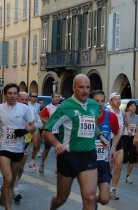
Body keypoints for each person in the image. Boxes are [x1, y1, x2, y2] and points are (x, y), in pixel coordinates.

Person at [42, 74, 108, 210]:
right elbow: (46, 131)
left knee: (90, 199)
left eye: (88, 87)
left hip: (88, 155)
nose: (85, 91)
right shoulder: (65, 107)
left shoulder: (94, 105)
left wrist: (100, 136)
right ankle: (52, 207)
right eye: (81, 87)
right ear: (73, 88)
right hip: (68, 156)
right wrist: (56, 144)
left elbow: (92, 124)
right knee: (61, 199)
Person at [0, 83, 36, 210]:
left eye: (15, 93)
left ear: (18, 95)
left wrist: (25, 131)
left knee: (12, 181)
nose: (12, 96)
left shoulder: (25, 109)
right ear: (5, 95)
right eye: (10, 93)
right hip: (3, 147)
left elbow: (33, 125)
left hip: (18, 148)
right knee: (7, 179)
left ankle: (4, 194)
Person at [89, 90, 119, 206]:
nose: (100, 103)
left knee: (104, 198)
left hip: (103, 162)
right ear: (91, 101)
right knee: (91, 193)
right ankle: (89, 200)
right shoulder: (86, 116)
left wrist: (113, 148)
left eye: (102, 101)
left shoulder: (111, 117)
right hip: (88, 161)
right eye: (97, 101)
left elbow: (117, 132)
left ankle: (89, 199)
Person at [12, 92, 42, 204]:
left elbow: (39, 123)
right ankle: (13, 188)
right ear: (17, 99)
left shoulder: (30, 110)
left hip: (25, 140)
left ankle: (15, 188)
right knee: (12, 167)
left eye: (26, 100)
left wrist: (30, 128)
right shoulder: (10, 110)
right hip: (12, 142)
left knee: (20, 168)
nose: (24, 102)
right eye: (22, 100)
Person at [107, 92, 131, 200]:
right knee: (109, 167)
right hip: (108, 141)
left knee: (118, 167)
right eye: (116, 99)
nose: (118, 101)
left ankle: (113, 190)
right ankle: (105, 188)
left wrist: (129, 130)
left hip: (118, 140)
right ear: (111, 101)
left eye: (119, 99)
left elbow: (127, 124)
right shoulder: (108, 111)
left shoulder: (122, 113)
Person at [39, 92, 61, 174]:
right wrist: (47, 122)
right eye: (55, 97)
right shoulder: (47, 108)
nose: (57, 98)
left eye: (58, 97)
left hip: (59, 131)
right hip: (49, 131)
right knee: (47, 149)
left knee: (59, 149)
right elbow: (40, 117)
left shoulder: (61, 107)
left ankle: (58, 167)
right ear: (52, 98)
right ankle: (42, 163)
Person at [123, 100, 138, 184]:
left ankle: (128, 176)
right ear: (128, 108)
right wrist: (123, 131)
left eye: (134, 106)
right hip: (124, 137)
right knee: (124, 158)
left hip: (133, 138)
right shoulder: (124, 115)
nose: (133, 107)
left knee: (131, 158)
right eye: (131, 106)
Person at [28, 91, 42, 170]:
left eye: (36, 97)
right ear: (30, 97)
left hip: (35, 126)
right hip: (27, 126)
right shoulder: (26, 104)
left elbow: (38, 114)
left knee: (36, 145)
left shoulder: (37, 105)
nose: (35, 98)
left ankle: (32, 162)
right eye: (33, 96)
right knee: (24, 146)